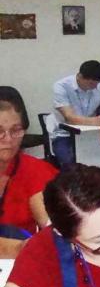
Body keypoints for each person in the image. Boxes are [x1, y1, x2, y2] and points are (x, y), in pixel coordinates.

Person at [0, 87, 58, 258]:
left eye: (16, 130)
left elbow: (51, 225)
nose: (9, 139)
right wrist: (20, 248)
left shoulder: (34, 170)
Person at [51, 60, 100, 166]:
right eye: (91, 83)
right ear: (80, 76)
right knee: (70, 162)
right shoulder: (61, 86)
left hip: (92, 134)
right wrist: (98, 121)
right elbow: (70, 117)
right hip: (65, 135)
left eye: (97, 83)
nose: (95, 86)